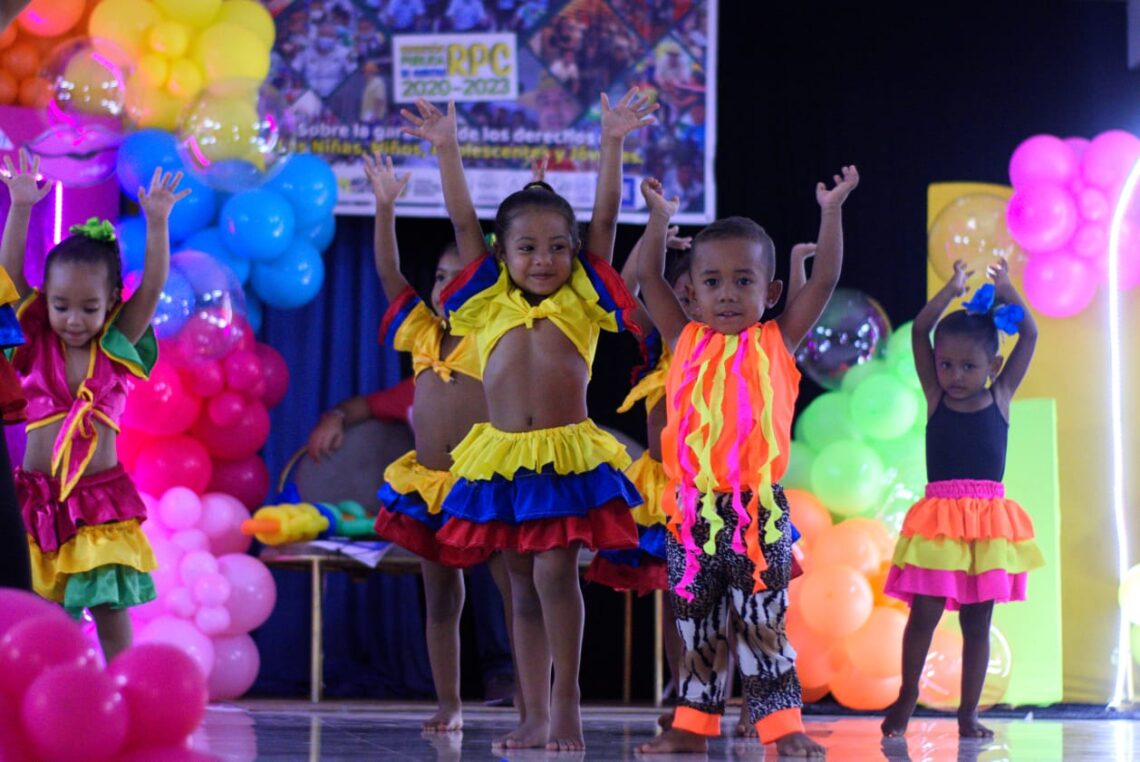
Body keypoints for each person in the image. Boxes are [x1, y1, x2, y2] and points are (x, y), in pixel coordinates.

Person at [417, 90, 657, 751]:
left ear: (574, 251)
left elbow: (605, 219)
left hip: (564, 457)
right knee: (518, 584)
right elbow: (464, 221)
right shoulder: (487, 299)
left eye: (557, 246)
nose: (544, 259)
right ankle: (532, 712)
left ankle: (567, 700)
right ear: (503, 252)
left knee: (555, 573)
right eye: (528, 247)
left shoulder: (583, 297)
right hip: (503, 458)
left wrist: (612, 142)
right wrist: (446, 148)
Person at [635, 165, 860, 758]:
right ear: (692, 292)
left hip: (756, 514)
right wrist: (658, 220)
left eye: (742, 281)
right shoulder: (682, 337)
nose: (728, 293)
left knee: (763, 624)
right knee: (696, 625)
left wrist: (831, 211)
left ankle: (783, 729)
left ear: (771, 292)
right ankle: (692, 727)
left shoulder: (776, 341)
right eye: (712, 282)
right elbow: (645, 277)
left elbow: (828, 276)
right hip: (691, 514)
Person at [0, 150, 188, 661]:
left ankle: (121, 687)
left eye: (89, 308)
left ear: (110, 304)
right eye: (61, 306)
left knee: (107, 609)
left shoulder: (116, 347)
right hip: (37, 501)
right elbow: (10, 280)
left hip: (97, 503)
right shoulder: (35, 342)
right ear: (48, 300)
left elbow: (151, 288)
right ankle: (41, 696)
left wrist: (156, 222)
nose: (74, 319)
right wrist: (20, 208)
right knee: (37, 613)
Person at [881, 258, 1043, 739]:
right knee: (924, 614)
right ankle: (907, 694)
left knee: (978, 622)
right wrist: (952, 289)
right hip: (940, 523)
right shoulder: (936, 397)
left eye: (968, 366)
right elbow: (920, 332)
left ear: (993, 366)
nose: (953, 374)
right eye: (946, 364)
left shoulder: (1002, 396)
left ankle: (969, 713)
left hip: (988, 525)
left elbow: (1029, 335)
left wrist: (1009, 289)